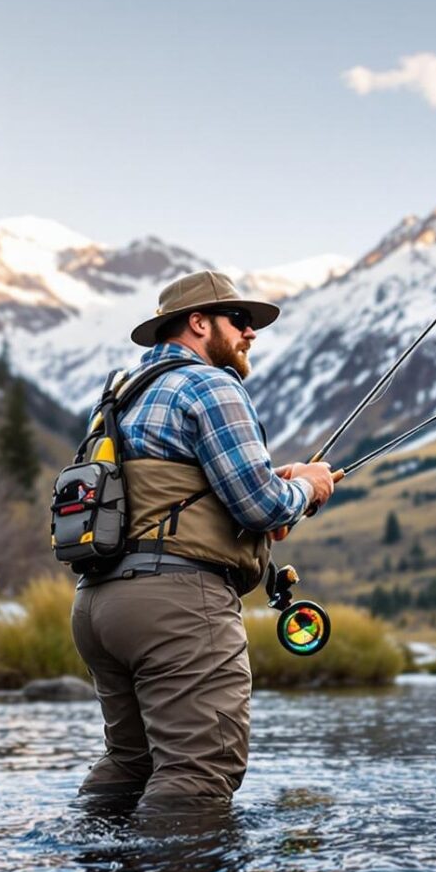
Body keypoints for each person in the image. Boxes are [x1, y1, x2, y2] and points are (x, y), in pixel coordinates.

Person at [70, 270, 340, 818]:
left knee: (131, 763)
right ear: (198, 323)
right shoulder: (209, 385)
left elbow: (173, 489)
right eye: (238, 320)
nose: (250, 333)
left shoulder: (118, 395)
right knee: (199, 770)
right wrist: (306, 488)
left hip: (98, 605)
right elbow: (260, 505)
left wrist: (277, 482)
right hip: (177, 605)